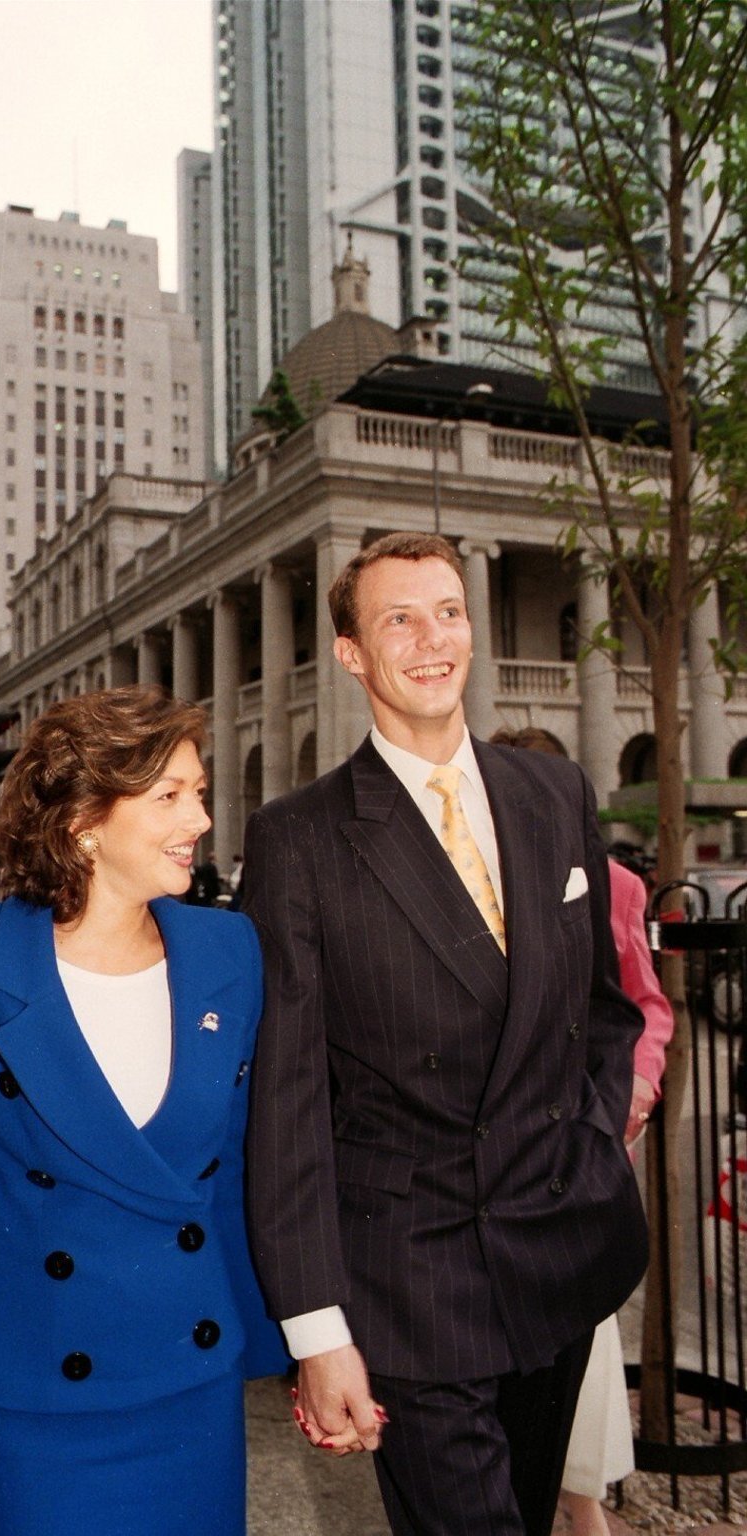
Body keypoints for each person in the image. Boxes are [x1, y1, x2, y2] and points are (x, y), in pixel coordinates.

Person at [243, 532, 648, 1536]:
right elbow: (285, 1103)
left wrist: (589, 1142)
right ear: (351, 653)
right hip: (411, 1288)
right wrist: (316, 1329)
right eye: (399, 619)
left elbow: (604, 1011)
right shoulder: (299, 837)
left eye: (449, 612)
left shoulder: (552, 792)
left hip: (557, 1257)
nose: (433, 640)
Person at [0, 686, 286, 1535]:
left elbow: (246, 1169)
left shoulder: (228, 949)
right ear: (83, 820)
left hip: (191, 1382)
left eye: (199, 792)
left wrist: (305, 1339)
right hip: (35, 1392)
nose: (200, 820)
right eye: (170, 796)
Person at [491, 730, 674, 1534]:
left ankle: (579, 1498)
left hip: (583, 1149)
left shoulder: (616, 886)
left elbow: (644, 1006)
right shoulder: (465, 874)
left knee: (582, 1338)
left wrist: (635, 1084)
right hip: (491, 1162)